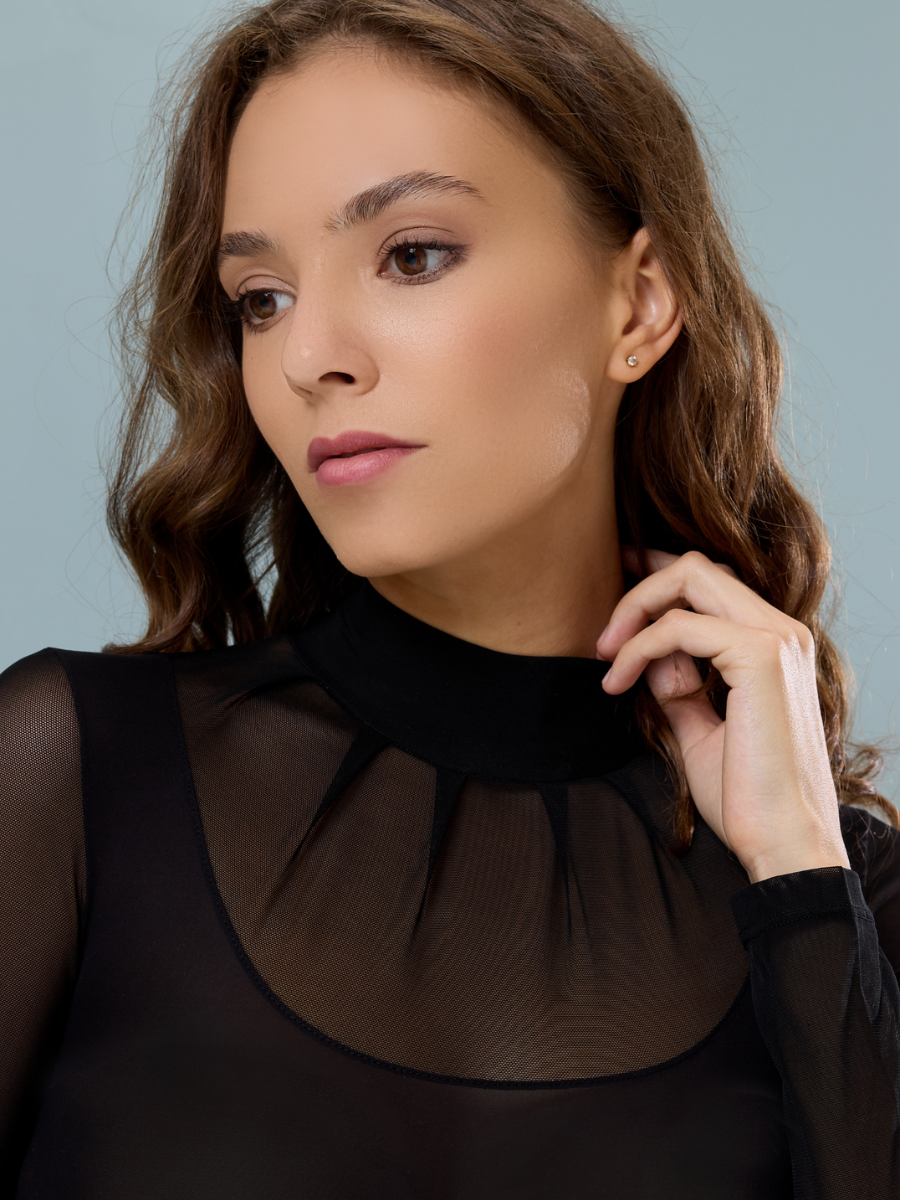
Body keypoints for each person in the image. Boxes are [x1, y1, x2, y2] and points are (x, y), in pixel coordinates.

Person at [1, 0, 898, 1195]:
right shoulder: (74, 777)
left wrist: (800, 876)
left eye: (413, 254)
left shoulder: (845, 901)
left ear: (639, 305)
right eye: (261, 297)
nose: (310, 355)